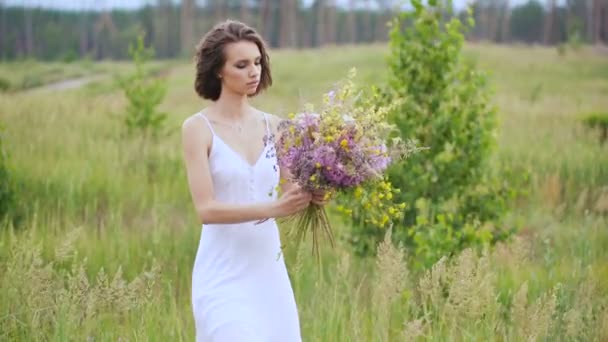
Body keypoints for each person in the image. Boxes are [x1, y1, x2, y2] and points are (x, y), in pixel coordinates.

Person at [181, 20, 327, 342]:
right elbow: (206, 210)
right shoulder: (197, 129)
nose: (254, 71)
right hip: (222, 273)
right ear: (218, 70)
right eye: (242, 64)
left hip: (268, 273)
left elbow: (292, 194)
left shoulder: (276, 127)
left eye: (258, 62)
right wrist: (275, 207)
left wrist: (320, 187)